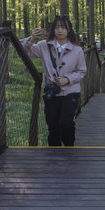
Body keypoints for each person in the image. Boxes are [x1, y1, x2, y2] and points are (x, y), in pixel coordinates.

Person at [20, 14, 87, 146]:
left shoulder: (77, 50)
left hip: (70, 92)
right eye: (56, 27)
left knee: (66, 122)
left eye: (63, 27)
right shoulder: (44, 46)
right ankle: (53, 153)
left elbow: (82, 71)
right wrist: (32, 38)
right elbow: (23, 52)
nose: (60, 30)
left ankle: (69, 150)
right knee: (52, 124)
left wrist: (67, 79)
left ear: (69, 30)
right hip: (51, 91)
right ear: (53, 30)